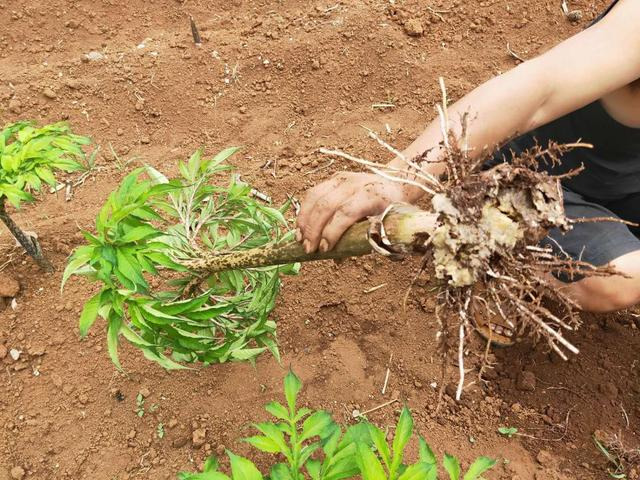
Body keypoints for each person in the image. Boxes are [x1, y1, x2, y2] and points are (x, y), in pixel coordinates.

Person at [296, 0, 640, 320]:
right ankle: (484, 243)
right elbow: (542, 88)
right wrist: (398, 179)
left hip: (628, 182)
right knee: (621, 279)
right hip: (531, 177)